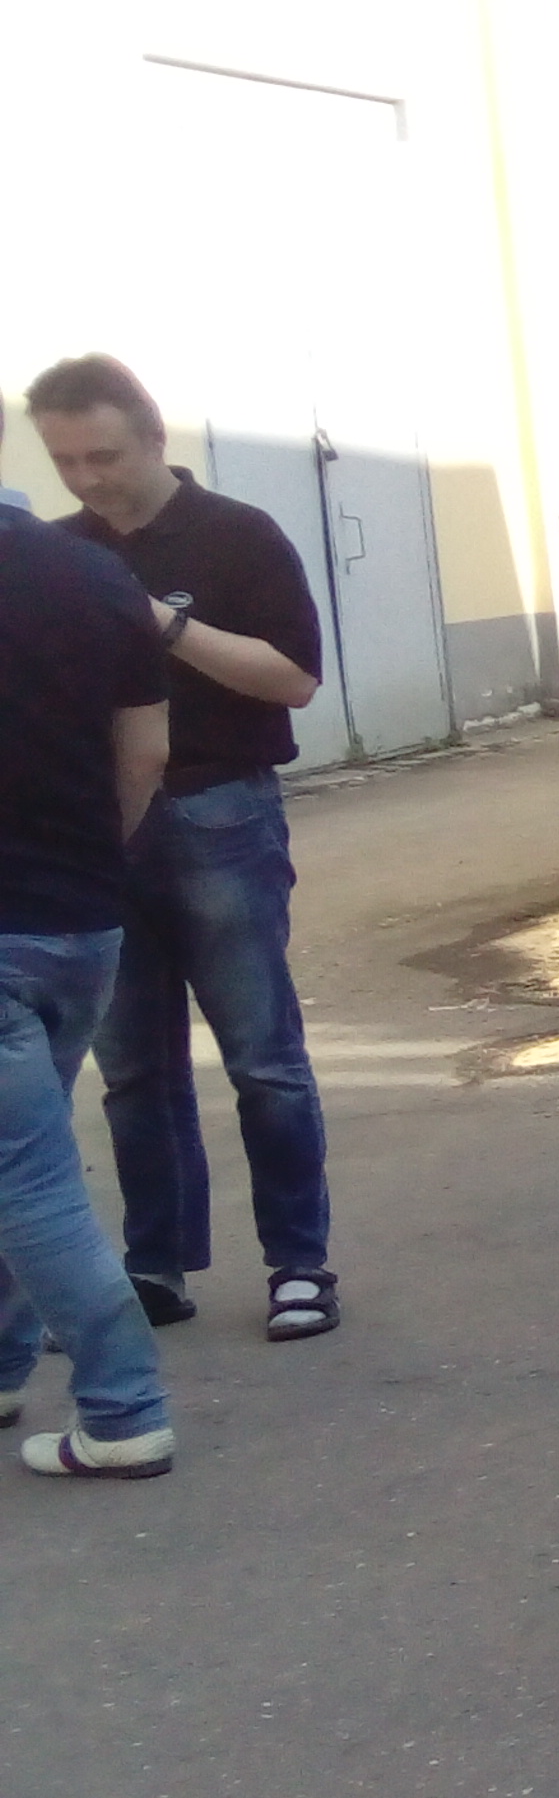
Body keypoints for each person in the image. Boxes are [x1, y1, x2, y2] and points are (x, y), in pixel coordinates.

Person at [25, 357, 338, 1344]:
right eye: (66, 462)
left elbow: (294, 679)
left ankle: (299, 1264)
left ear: (154, 438)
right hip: (103, 830)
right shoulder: (59, 553)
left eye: (104, 456)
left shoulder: (239, 535)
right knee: (132, 1071)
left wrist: (163, 624)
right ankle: (156, 1265)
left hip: (219, 814)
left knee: (262, 1058)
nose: (88, 479)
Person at [0, 492, 180, 1478]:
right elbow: (146, 752)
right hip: (80, 925)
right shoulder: (95, 574)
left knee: (27, 1177)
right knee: (19, 1158)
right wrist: (89, 863)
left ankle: (122, 1411)